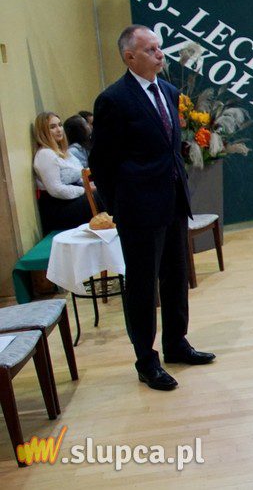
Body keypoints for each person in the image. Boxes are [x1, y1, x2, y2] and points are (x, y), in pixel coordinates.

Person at [90, 24, 215, 391]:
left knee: (176, 277)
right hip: (137, 210)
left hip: (173, 201)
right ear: (130, 57)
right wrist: (120, 206)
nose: (160, 54)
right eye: (150, 50)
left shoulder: (171, 92)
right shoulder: (114, 99)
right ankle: (147, 359)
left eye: (159, 48)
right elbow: (102, 162)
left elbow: (170, 148)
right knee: (144, 287)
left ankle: (176, 343)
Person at [32, 112, 92, 234]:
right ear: (43, 131)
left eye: (60, 125)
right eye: (52, 127)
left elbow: (79, 175)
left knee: (107, 191)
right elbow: (56, 190)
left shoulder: (63, 151)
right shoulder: (45, 154)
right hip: (58, 208)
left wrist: (91, 186)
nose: (59, 130)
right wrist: (85, 190)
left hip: (72, 200)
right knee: (100, 198)